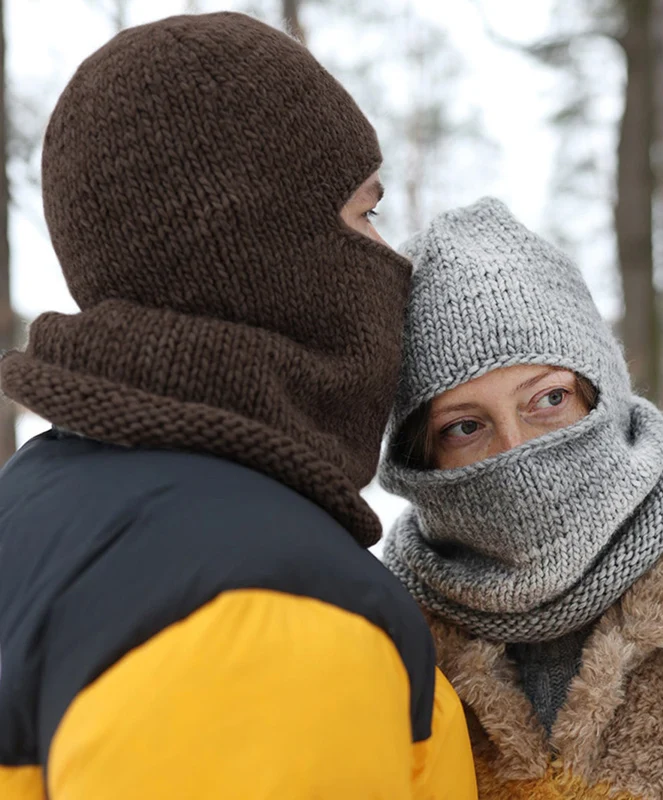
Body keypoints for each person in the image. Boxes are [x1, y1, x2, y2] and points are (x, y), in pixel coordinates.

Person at [0, 14, 477, 800]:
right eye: (366, 215)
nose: (392, 262)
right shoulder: (264, 609)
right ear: (258, 250)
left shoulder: (49, 494)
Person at [381, 196, 663, 800]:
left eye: (548, 399)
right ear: (423, 460)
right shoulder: (392, 656)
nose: (516, 450)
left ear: (600, 390)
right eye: (465, 428)